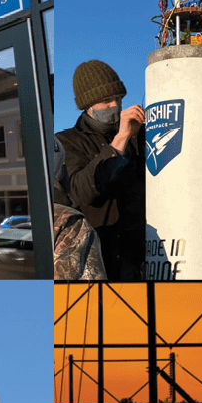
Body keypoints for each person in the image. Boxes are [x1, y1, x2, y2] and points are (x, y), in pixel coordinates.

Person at [54, 60, 146, 280]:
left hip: (139, 261)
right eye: (106, 101)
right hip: (100, 262)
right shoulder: (67, 142)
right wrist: (120, 140)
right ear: (88, 106)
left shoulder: (138, 136)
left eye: (119, 99)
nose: (115, 105)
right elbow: (82, 192)